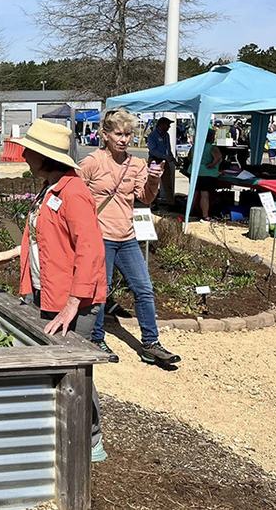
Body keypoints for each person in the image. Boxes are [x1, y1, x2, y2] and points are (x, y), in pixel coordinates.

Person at [0, 118, 108, 463]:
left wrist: (72, 304)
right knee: (56, 367)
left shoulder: (74, 192)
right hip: (47, 291)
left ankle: (92, 438)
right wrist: (8, 254)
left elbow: (91, 251)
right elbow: (43, 240)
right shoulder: (49, 187)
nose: (21, 154)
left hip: (73, 301)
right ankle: (61, 430)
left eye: (28, 150)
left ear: (43, 156)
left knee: (74, 369)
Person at [78, 108, 181, 368]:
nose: (123, 139)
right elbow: (75, 196)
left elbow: (145, 198)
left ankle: (151, 343)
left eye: (127, 134)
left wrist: (155, 182)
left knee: (144, 288)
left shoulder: (136, 164)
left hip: (127, 236)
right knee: (101, 290)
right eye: (118, 134)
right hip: (100, 236)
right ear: (105, 135)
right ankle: (96, 337)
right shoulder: (92, 162)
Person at [146, 116, 177, 207]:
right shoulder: (152, 135)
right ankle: (152, 203)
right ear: (161, 125)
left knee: (168, 183)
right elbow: (152, 150)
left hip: (165, 161)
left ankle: (171, 203)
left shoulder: (166, 135)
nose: (169, 127)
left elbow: (168, 149)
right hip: (154, 161)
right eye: (168, 125)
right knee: (153, 182)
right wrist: (165, 156)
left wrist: (173, 160)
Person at [196, 127, 223, 222]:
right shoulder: (212, 147)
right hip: (207, 173)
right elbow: (218, 157)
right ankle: (205, 215)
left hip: (196, 172)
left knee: (195, 193)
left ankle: (193, 211)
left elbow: (190, 157)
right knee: (205, 194)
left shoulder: (197, 146)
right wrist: (212, 165)